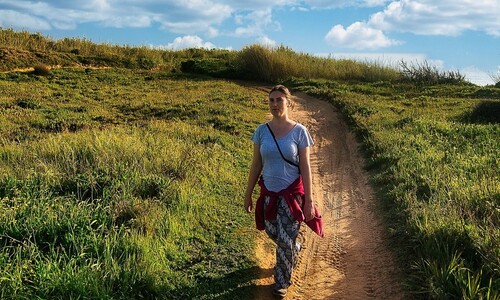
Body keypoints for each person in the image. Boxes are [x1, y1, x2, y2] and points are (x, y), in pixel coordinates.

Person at [244, 84, 317, 298]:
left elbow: (305, 167)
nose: (275, 104)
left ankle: (281, 282)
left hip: (291, 196)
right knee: (272, 231)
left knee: (284, 241)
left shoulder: (300, 132)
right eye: (271, 100)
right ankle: (293, 246)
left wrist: (309, 200)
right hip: (269, 194)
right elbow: (256, 165)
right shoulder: (261, 131)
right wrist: (248, 193)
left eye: (279, 100)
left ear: (288, 103)